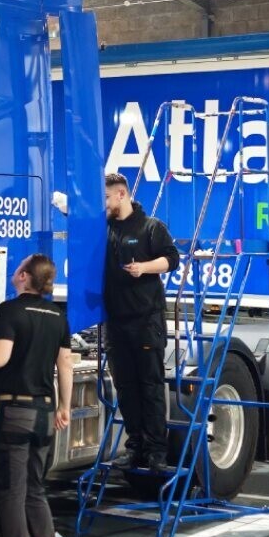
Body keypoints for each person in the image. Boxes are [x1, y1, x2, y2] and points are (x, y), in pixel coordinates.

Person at [0, 254, 72, 537]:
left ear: (24, 276)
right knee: (35, 488)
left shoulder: (9, 310)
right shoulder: (57, 315)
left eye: (19, 267)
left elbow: (0, 358)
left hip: (14, 413)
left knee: (12, 491)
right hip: (45, 413)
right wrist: (65, 407)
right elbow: (65, 364)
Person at [103, 172, 180, 473]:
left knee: (150, 386)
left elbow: (172, 259)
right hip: (116, 321)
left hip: (146, 319)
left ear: (121, 194)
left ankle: (156, 451)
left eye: (107, 198)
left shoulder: (151, 227)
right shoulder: (106, 228)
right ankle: (135, 446)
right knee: (125, 387)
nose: (104, 204)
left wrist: (144, 268)